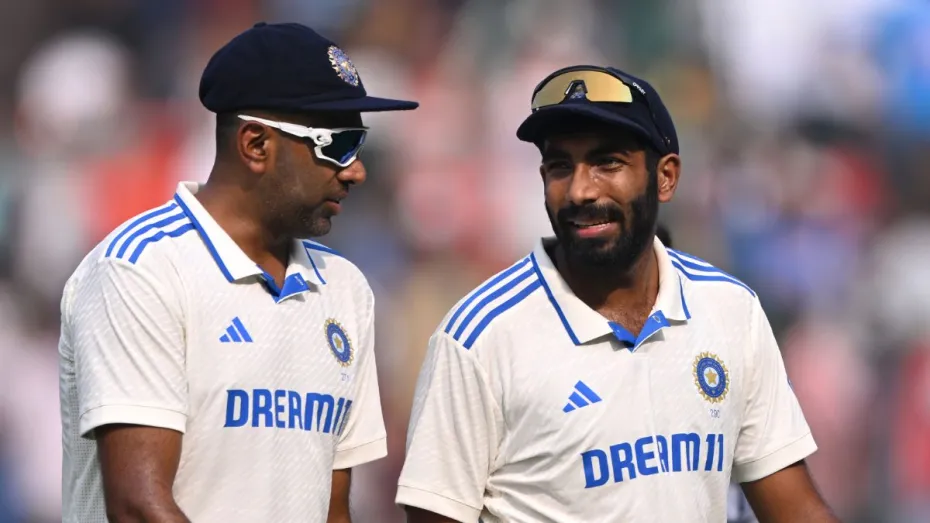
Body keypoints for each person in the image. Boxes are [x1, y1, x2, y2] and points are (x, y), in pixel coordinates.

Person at [395, 65, 836, 522]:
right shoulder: (479, 339)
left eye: (608, 163)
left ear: (666, 177)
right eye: (561, 167)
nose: (580, 191)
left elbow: (796, 510)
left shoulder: (730, 311)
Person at [58, 22, 417, 523]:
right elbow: (138, 507)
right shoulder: (140, 270)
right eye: (338, 143)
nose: (356, 170)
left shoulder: (345, 288)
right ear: (255, 145)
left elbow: (332, 508)